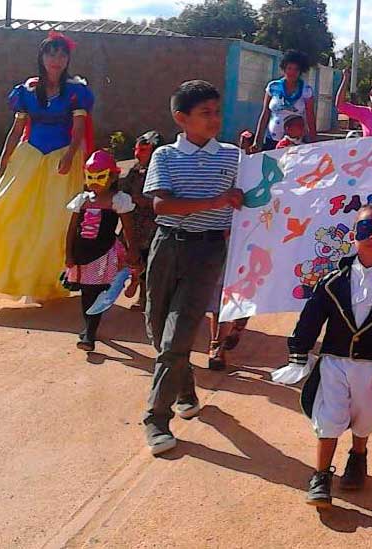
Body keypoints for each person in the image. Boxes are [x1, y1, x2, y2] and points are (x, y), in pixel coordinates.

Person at [284, 201, 372, 507]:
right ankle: (321, 475)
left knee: (365, 417)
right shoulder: (331, 282)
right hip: (333, 362)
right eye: (365, 228)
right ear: (354, 235)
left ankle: (358, 455)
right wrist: (299, 350)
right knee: (329, 417)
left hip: (371, 368)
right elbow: (310, 319)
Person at [141, 80, 244, 456]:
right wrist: (217, 200)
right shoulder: (165, 156)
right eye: (206, 113)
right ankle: (185, 388)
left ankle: (156, 418)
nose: (215, 119)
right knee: (156, 328)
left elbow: (255, 200)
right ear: (181, 118)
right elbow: (162, 207)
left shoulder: (234, 156)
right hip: (167, 248)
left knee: (176, 337)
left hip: (208, 253)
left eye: (217, 112)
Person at [0, 32, 94, 301]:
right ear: (42, 56)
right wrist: (4, 161)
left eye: (62, 54)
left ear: (68, 59)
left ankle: (48, 280)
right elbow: (17, 130)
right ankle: (15, 276)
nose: (57, 59)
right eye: (51, 53)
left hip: (61, 159)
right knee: (11, 212)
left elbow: (78, 129)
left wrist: (70, 155)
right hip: (30, 158)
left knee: (56, 222)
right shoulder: (26, 91)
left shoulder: (76, 92)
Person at [63, 150, 140, 351]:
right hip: (82, 253)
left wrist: (133, 252)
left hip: (103, 253)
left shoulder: (118, 200)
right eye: (90, 177)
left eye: (100, 176)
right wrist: (69, 255)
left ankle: (89, 333)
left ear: (113, 177)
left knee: (95, 291)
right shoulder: (82, 200)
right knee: (86, 292)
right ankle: (88, 327)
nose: (94, 182)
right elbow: (71, 230)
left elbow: (129, 228)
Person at [120, 130, 161, 309]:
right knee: (132, 256)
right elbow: (125, 190)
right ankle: (134, 279)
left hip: (152, 225)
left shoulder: (160, 171)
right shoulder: (135, 170)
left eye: (143, 150)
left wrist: (146, 201)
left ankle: (144, 297)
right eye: (137, 149)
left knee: (150, 261)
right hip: (133, 223)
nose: (138, 154)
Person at [251, 50, 316, 151]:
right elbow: (265, 114)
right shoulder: (273, 87)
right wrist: (257, 140)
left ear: (300, 71)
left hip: (296, 143)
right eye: (289, 68)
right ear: (284, 69)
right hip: (272, 141)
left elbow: (310, 117)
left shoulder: (306, 90)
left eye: (296, 69)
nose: (292, 72)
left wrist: (314, 143)